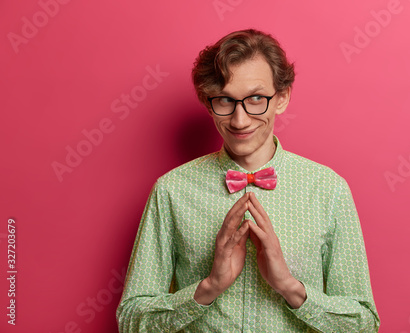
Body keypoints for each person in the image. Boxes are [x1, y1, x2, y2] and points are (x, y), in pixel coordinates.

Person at [117, 29, 380, 332]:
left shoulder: (329, 189)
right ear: (208, 102)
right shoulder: (172, 191)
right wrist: (208, 289)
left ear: (282, 98)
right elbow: (131, 320)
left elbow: (364, 324)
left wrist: (290, 288)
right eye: (225, 100)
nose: (240, 120)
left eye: (256, 98)